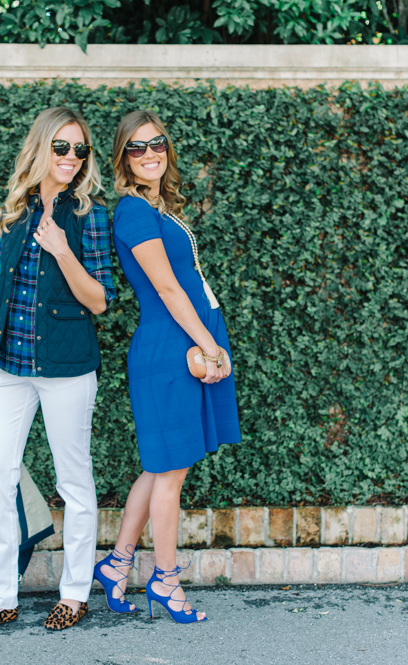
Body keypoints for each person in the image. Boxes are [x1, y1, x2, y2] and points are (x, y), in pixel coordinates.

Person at [0, 107, 116, 634]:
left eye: (80, 150)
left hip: (68, 368)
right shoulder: (15, 210)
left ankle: (74, 594)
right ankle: (1, 598)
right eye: (62, 148)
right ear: (42, 147)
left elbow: (100, 301)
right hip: (8, 366)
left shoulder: (90, 214)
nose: (71, 159)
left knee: (74, 480)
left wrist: (64, 251)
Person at [94, 110, 240, 624]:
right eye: (137, 148)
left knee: (159, 466)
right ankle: (166, 580)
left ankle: (116, 566)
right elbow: (168, 289)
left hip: (181, 342)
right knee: (171, 473)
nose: (150, 153)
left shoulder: (156, 208)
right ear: (122, 159)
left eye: (157, 143)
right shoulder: (133, 212)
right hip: (171, 346)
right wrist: (209, 344)